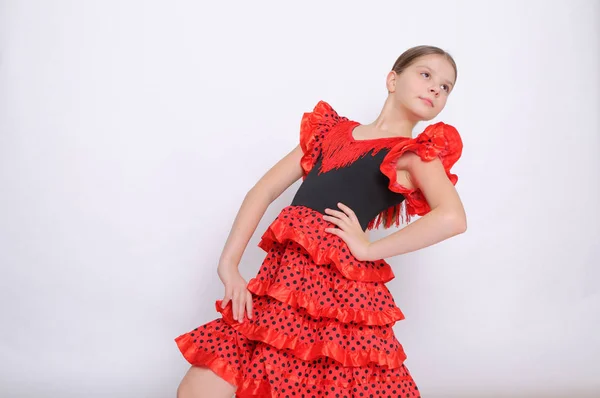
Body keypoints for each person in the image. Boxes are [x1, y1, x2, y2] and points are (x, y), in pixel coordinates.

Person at [175, 45, 466, 398]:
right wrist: (229, 265)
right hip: (282, 285)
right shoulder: (330, 132)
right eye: (426, 74)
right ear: (393, 79)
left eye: (446, 87)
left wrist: (370, 248)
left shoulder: (414, 154)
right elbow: (263, 190)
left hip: (342, 298)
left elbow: (451, 217)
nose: (436, 88)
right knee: (200, 386)